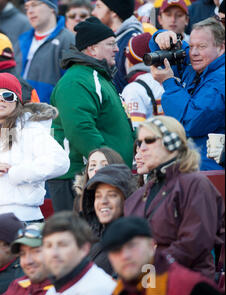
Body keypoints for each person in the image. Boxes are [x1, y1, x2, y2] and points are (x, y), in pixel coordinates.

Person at [0, 72, 69, 246]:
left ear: (17, 102)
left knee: (25, 273)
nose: (0, 100)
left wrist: (17, 173)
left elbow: (60, 162)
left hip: (23, 223)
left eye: (8, 96)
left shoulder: (31, 130)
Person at [49, 17, 135, 213]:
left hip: (98, 176)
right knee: (80, 238)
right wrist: (107, 165)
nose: (116, 49)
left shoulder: (97, 78)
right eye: (111, 44)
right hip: (76, 178)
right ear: (93, 49)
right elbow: (80, 128)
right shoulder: (77, 81)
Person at [124, 116, 225, 280]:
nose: (141, 148)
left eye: (149, 140)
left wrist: (149, 265)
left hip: (185, 284)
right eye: (139, 142)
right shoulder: (139, 195)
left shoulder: (195, 185)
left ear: (171, 144)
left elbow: (194, 244)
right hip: (148, 283)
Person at [149, 17, 225, 170]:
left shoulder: (221, 80)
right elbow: (167, 46)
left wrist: (169, 83)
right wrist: (161, 35)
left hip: (210, 171)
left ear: (221, 48)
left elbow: (192, 122)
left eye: (202, 46)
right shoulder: (199, 64)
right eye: (192, 46)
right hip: (190, 165)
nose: (194, 53)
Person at [103, 216, 223, 295]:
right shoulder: (116, 293)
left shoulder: (191, 287)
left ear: (151, 245)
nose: (125, 256)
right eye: (116, 250)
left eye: (132, 246)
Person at [41, 211, 117, 295]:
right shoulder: (56, 287)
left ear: (84, 248)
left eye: (62, 245)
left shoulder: (96, 290)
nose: (53, 253)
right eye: (48, 245)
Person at [80, 164, 137, 275]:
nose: (103, 201)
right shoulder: (89, 239)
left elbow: (151, 289)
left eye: (112, 195)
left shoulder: (139, 244)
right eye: (98, 196)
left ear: (127, 199)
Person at [15, 0, 74, 103]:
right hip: (20, 110)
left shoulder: (68, 40)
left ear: (52, 8)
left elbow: (71, 85)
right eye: (27, 7)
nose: (30, 11)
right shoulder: (22, 39)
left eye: (34, 5)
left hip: (48, 112)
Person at [92, 0, 143, 92]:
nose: (93, 12)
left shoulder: (132, 42)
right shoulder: (110, 38)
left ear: (114, 12)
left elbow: (139, 90)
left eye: (99, 7)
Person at [121, 32, 164, 129]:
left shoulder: (133, 89)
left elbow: (136, 131)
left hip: (151, 142)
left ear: (131, 62)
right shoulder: (171, 79)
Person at [0, 223, 53, 295]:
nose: (28, 261)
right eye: (22, 254)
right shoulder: (18, 285)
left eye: (36, 251)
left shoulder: (66, 291)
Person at [73, 147, 125, 214]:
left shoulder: (128, 198)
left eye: (105, 165)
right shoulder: (80, 200)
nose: (97, 169)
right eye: (93, 165)